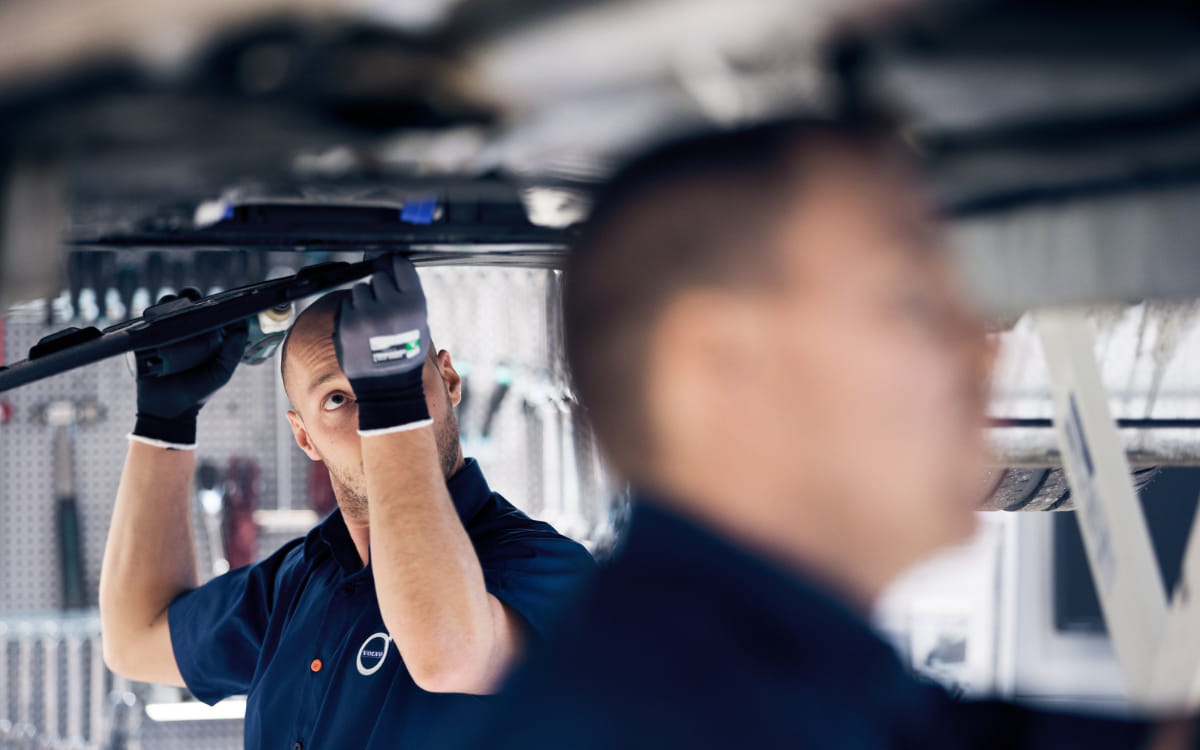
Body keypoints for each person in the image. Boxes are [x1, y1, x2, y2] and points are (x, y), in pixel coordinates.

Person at [449, 120, 1197, 749]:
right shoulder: (684, 715)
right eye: (911, 302)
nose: (983, 349)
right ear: (721, 369)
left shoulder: (746, 684)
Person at [98, 258, 595, 749]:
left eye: (394, 377)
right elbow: (135, 639)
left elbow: (448, 652)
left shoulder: (544, 568)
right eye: (337, 399)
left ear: (449, 378)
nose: (369, 416)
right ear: (304, 437)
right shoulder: (302, 581)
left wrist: (393, 406)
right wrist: (165, 423)